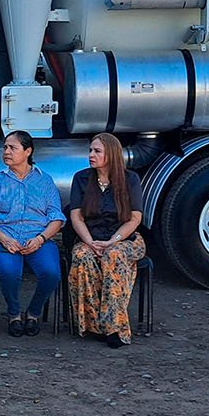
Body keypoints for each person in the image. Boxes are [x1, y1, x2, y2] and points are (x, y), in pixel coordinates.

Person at [0, 130, 65, 337]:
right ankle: (14, 314)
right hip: (2, 239)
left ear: (27, 151)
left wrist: (41, 238)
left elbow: (57, 218)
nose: (6, 152)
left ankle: (33, 313)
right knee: (9, 271)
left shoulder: (45, 181)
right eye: (5, 147)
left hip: (38, 239)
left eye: (12, 148)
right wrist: (4, 239)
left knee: (51, 273)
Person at [67, 133, 146, 347]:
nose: (91, 155)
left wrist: (113, 240)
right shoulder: (82, 179)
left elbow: (135, 218)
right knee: (82, 256)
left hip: (124, 239)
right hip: (90, 237)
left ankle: (115, 328)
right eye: (90, 151)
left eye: (97, 151)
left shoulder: (130, 179)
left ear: (110, 154)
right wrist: (90, 241)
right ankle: (94, 325)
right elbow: (76, 216)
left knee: (113, 256)